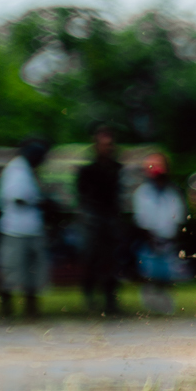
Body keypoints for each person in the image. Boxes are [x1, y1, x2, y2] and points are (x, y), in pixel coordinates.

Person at [0, 137, 51, 320]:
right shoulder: (17, 169)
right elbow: (18, 198)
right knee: (11, 272)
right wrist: (41, 202)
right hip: (16, 229)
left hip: (32, 228)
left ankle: (31, 311)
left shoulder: (28, 169)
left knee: (33, 274)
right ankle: (6, 311)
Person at [74, 125, 125, 315]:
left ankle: (111, 300)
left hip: (110, 218)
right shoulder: (88, 170)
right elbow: (82, 196)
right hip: (93, 218)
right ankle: (90, 299)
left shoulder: (117, 169)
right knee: (91, 259)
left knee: (112, 261)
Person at [132, 154, 186, 313]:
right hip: (150, 240)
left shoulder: (173, 193)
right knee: (149, 274)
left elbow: (178, 217)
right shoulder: (143, 193)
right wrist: (151, 238)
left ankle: (165, 306)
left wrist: (173, 237)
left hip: (168, 239)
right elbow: (142, 219)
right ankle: (150, 306)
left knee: (167, 276)